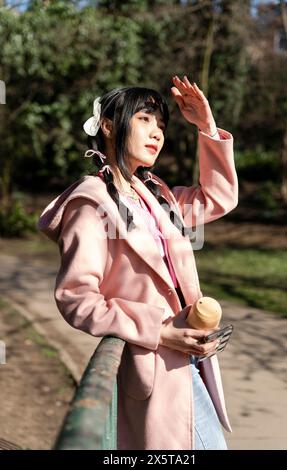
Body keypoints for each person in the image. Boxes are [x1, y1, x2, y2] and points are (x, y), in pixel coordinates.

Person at [38, 75, 238, 450]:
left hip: (192, 360)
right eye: (145, 119)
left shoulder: (156, 194)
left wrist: (206, 128)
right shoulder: (92, 203)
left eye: (161, 125)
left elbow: (219, 198)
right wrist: (158, 331)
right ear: (110, 126)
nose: (157, 132)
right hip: (156, 365)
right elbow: (76, 296)